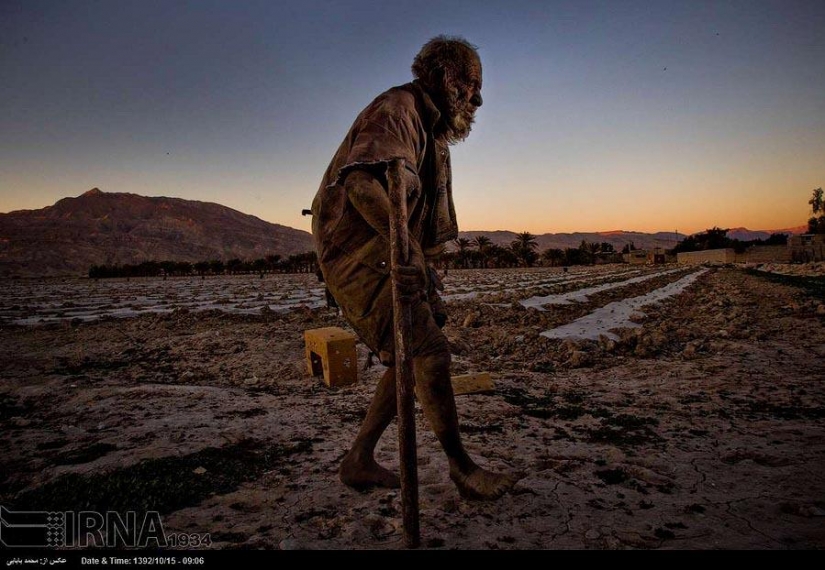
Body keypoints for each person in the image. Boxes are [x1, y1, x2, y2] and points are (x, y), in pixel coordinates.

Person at [311, 36, 515, 500]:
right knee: (429, 351)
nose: (478, 98)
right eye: (471, 84)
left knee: (412, 349)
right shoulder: (398, 109)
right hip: (359, 254)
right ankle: (462, 468)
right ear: (445, 77)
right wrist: (407, 251)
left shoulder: (433, 131)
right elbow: (362, 185)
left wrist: (419, 259)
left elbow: (417, 213)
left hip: (390, 249)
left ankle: (359, 458)